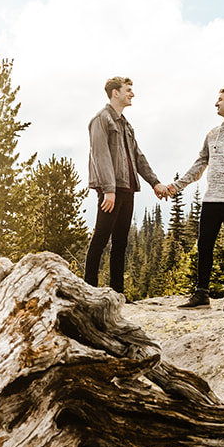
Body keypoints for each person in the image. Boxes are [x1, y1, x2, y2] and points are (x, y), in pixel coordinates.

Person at [167, 87, 224, 311]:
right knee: (204, 246)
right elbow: (200, 164)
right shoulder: (212, 134)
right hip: (211, 200)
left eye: (219, 100)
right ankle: (201, 293)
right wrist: (175, 187)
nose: (215, 104)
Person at [85, 76, 168, 297]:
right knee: (101, 239)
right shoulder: (101, 119)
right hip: (111, 191)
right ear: (115, 93)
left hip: (128, 188)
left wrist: (155, 182)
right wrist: (108, 190)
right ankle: (88, 292)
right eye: (128, 90)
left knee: (121, 242)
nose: (132, 94)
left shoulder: (125, 124)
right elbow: (100, 155)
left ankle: (117, 293)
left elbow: (138, 156)